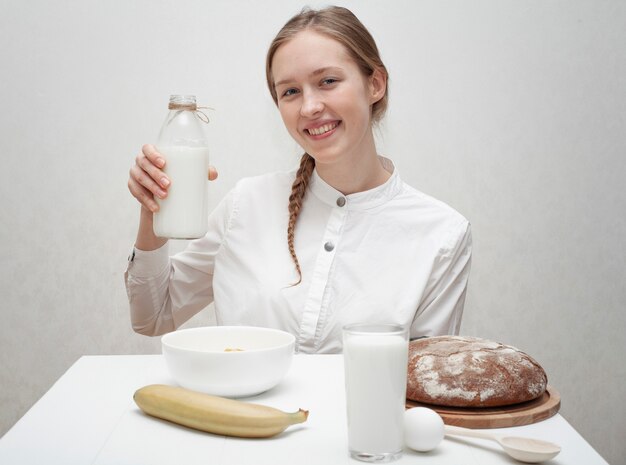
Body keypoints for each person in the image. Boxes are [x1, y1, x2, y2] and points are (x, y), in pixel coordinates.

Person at [125, 6, 472, 354]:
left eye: (328, 82)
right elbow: (153, 316)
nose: (309, 107)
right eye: (290, 91)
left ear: (375, 84)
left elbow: (426, 384)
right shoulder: (246, 203)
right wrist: (153, 206)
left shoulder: (441, 234)